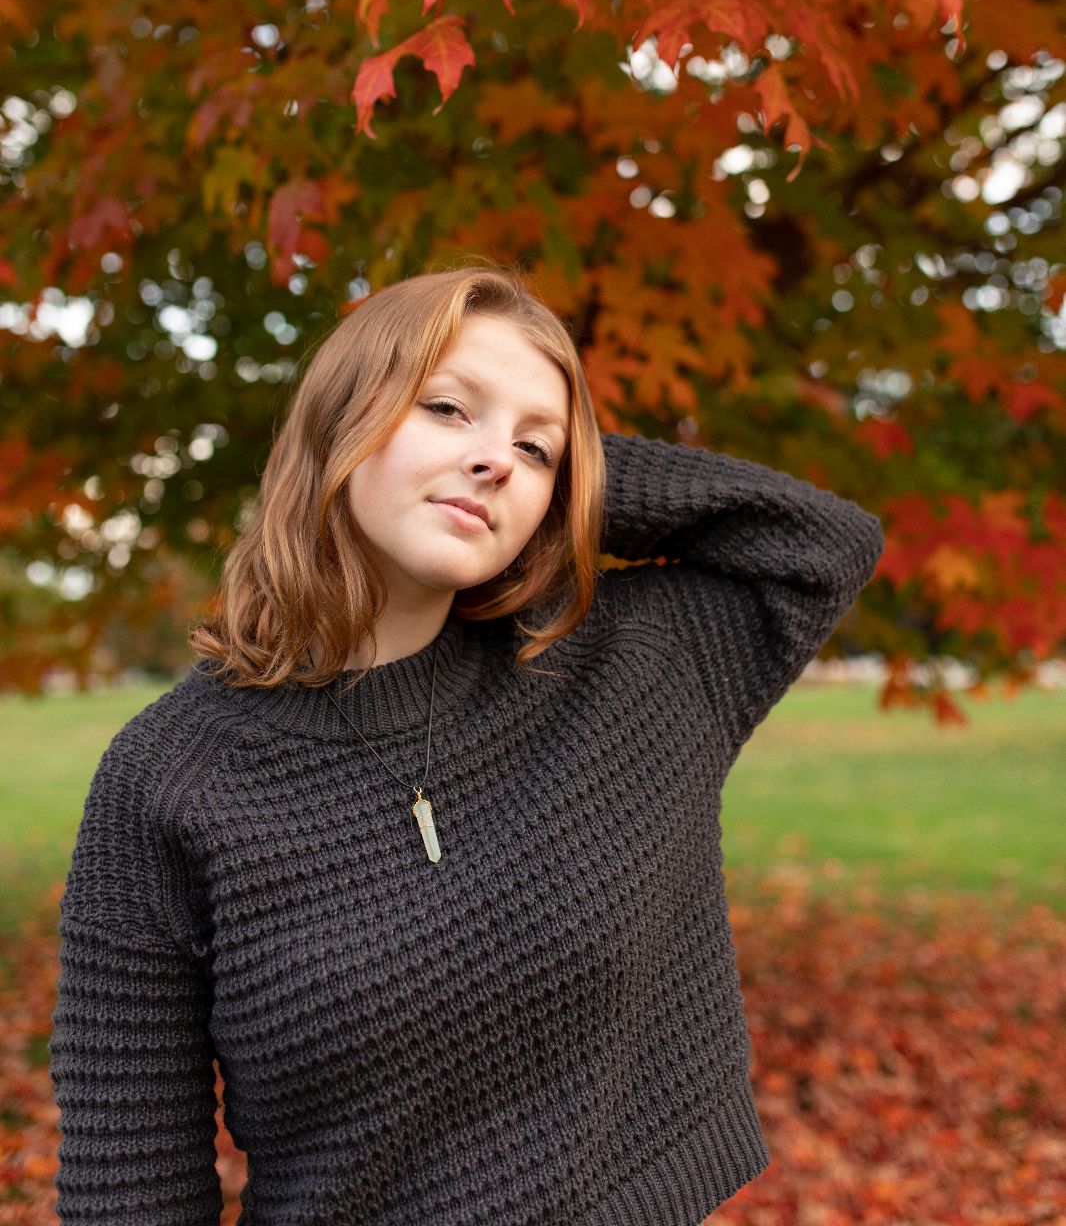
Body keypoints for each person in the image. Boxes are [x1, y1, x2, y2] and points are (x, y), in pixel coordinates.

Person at [49, 259, 885, 1225]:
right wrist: (516, 446)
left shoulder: (622, 669)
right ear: (340, 424)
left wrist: (569, 482)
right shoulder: (169, 779)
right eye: (448, 409)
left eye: (538, 449)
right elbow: (130, 1186)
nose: (496, 458)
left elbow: (819, 548)